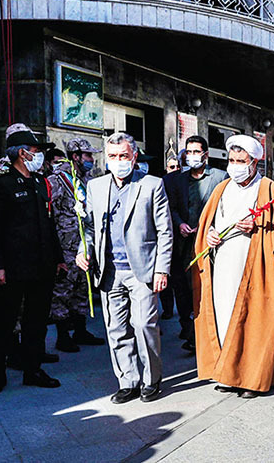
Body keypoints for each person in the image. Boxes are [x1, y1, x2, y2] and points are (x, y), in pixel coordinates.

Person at [192, 134, 274, 399]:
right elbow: (208, 223)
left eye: (242, 160)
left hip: (255, 269)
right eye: (232, 160)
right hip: (224, 266)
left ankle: (251, 378)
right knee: (225, 317)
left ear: (255, 163)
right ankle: (228, 373)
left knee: (253, 321)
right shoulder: (222, 188)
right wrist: (210, 235)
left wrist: (258, 227)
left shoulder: (269, 189)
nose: (236, 165)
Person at [76, 132, 173, 404]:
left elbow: (165, 231)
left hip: (141, 268)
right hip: (108, 270)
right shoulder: (96, 186)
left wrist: (162, 270)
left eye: (124, 156)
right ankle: (126, 380)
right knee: (116, 329)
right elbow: (91, 228)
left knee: (144, 325)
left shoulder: (152, 185)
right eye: (113, 156)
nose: (118, 161)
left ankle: (151, 379)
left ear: (134, 157)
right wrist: (83, 251)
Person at [0, 123, 66, 394]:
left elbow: (49, 223)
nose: (38, 155)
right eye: (34, 150)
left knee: (37, 319)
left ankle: (33, 369)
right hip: (13, 267)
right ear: (21, 153)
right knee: (5, 320)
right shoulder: (0, 182)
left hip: (41, 264)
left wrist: (58, 258)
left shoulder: (40, 181)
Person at [166, 135, 227, 350]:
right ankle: (188, 329)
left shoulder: (220, 178)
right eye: (188, 152)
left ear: (205, 154)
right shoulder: (176, 180)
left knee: (204, 288)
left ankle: (201, 333)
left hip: (208, 245)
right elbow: (170, 208)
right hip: (183, 245)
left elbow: (225, 209)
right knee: (182, 289)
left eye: (196, 152)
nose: (191, 156)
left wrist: (210, 228)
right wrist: (180, 223)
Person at [47, 138, 105, 353]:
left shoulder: (86, 178)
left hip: (84, 245)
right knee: (63, 291)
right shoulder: (57, 180)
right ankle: (63, 336)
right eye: (88, 155)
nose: (91, 159)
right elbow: (49, 214)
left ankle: (81, 331)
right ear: (76, 156)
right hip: (65, 246)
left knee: (83, 288)